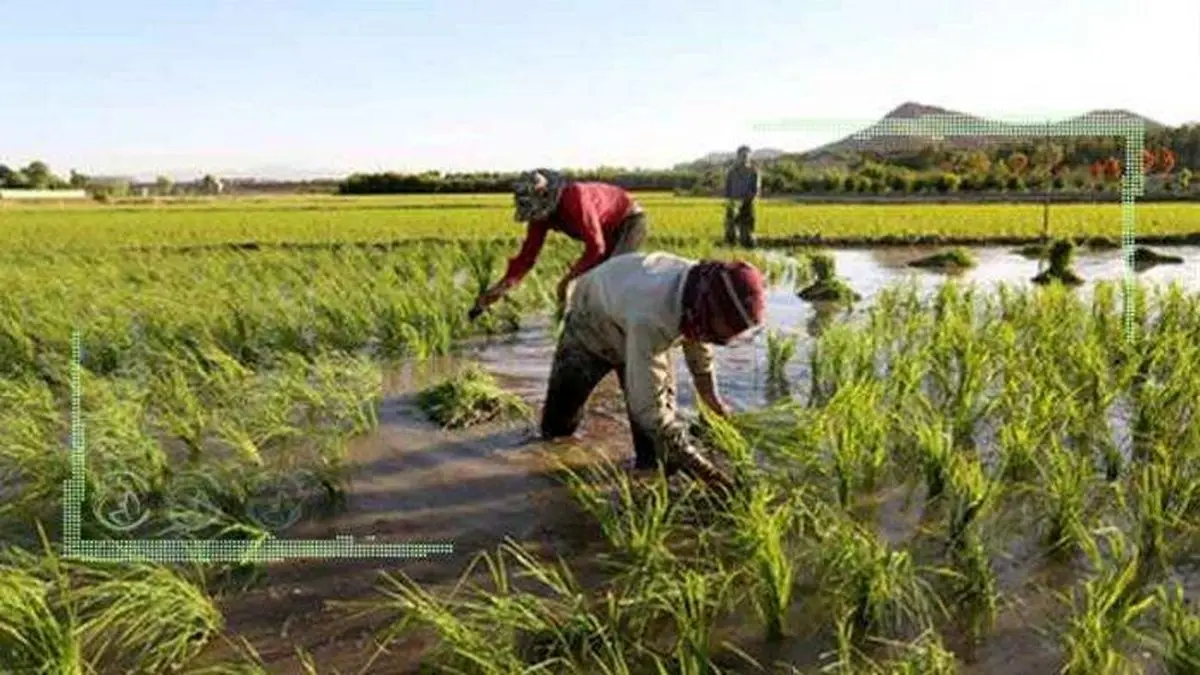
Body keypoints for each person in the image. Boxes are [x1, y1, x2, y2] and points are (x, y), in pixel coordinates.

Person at [540, 251, 767, 492]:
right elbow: (652, 413)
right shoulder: (654, 317)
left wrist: (712, 399)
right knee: (557, 428)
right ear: (708, 308)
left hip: (633, 313)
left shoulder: (700, 289)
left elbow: (699, 341)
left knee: (655, 456)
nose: (722, 338)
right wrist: (707, 472)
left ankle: (645, 487)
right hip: (592, 322)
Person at [474, 169, 648, 315]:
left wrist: (566, 282)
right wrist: (500, 288)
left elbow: (596, 247)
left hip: (628, 220)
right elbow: (526, 258)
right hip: (605, 231)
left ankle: (639, 318)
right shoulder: (540, 217)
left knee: (614, 275)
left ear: (546, 196)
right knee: (596, 285)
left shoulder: (575, 199)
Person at [724, 145, 761, 248]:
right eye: (742, 155)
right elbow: (727, 188)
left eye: (746, 155)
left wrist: (746, 201)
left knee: (747, 232)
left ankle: (749, 250)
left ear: (750, 157)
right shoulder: (731, 171)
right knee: (730, 230)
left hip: (748, 204)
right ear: (738, 156)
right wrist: (730, 202)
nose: (744, 157)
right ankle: (730, 249)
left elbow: (756, 190)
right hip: (733, 203)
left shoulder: (754, 171)